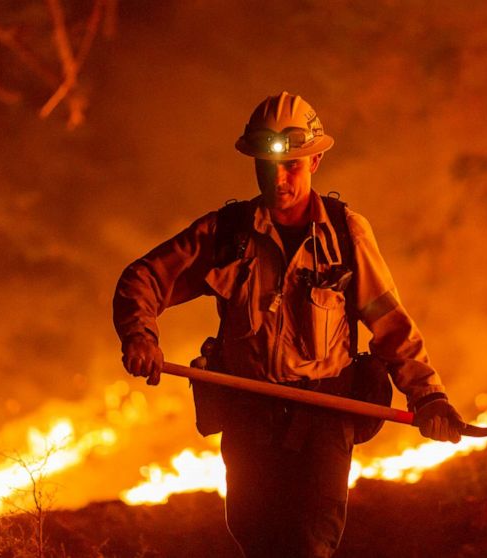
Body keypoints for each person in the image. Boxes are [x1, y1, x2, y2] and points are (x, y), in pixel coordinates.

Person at [113, 92, 466, 558]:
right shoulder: (226, 234)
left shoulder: (345, 233)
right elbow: (144, 279)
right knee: (257, 539)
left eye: (292, 165)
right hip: (248, 417)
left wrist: (429, 396)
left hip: (324, 418)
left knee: (308, 543)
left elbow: (390, 324)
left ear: (316, 160)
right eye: (267, 164)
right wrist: (140, 335)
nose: (279, 178)